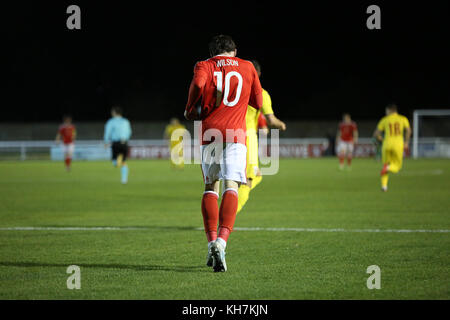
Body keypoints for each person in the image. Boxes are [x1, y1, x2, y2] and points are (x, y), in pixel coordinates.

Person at [184, 35, 263, 272]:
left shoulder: (204, 65)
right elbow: (257, 102)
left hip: (210, 134)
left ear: (212, 53)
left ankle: (210, 243)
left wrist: (190, 109)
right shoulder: (247, 66)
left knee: (210, 186)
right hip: (236, 134)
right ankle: (222, 241)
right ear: (234, 50)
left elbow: (198, 85)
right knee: (232, 186)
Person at [237, 60, 286, 213]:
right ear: (257, 74)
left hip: (226, 135)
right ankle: (225, 222)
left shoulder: (233, 90)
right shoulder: (261, 93)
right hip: (247, 137)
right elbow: (271, 119)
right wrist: (282, 125)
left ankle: (221, 217)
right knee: (248, 181)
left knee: (241, 179)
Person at [373, 104, 411, 192]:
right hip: (398, 144)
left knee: (385, 164)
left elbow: (376, 134)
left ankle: (384, 186)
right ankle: (387, 170)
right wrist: (406, 142)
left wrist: (382, 139)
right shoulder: (403, 119)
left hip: (386, 144)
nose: (386, 112)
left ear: (390, 110)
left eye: (386, 111)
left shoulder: (385, 120)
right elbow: (408, 130)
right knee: (397, 167)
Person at [104, 106, 132, 184]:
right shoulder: (126, 121)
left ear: (114, 112)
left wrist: (106, 142)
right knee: (124, 162)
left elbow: (107, 132)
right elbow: (129, 132)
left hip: (116, 143)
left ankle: (117, 162)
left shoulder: (111, 122)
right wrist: (126, 139)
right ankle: (124, 180)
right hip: (124, 143)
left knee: (114, 162)